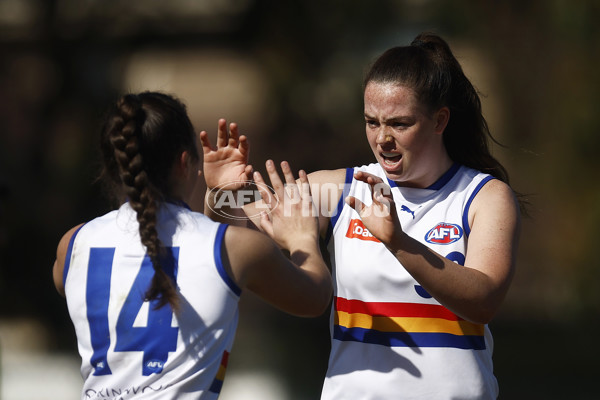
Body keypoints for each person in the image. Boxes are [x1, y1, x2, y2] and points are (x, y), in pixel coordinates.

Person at [203, 32, 522, 399]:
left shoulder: (483, 196)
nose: (383, 138)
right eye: (372, 122)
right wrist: (222, 191)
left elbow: (484, 301)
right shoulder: (341, 190)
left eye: (400, 124)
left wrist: (398, 242)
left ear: (439, 121)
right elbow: (240, 222)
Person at [52, 91, 332, 399]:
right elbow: (314, 298)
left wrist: (220, 199)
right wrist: (302, 238)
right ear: (185, 163)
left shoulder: (72, 246)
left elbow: (203, 270)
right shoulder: (238, 249)